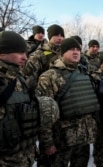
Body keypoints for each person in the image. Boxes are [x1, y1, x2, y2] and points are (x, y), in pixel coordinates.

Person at [35, 38, 100, 167]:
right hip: (60, 141)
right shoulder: (49, 77)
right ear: (62, 52)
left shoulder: (85, 74)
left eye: (78, 50)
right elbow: (43, 115)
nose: (75, 52)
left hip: (83, 140)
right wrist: (48, 143)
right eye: (71, 49)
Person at [0, 31, 59, 167]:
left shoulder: (19, 78)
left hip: (24, 158)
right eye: (20, 52)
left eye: (25, 53)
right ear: (2, 53)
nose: (25, 58)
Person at [22, 24, 65, 90]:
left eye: (62, 36)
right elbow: (29, 79)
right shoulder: (39, 54)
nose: (60, 38)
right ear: (50, 37)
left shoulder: (66, 53)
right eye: (56, 35)